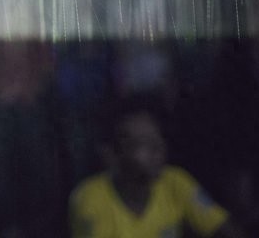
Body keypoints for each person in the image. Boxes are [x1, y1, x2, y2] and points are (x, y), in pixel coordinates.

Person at [69, 97, 247, 238]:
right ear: (113, 155)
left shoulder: (175, 182)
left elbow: (224, 228)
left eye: (157, 140)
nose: (157, 150)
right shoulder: (91, 199)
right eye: (142, 143)